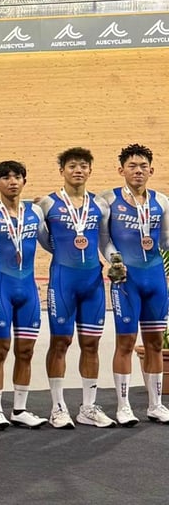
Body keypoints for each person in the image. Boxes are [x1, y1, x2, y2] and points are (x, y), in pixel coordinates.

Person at [36, 147, 116, 429]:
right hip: (62, 280)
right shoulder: (46, 204)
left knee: (91, 343)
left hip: (93, 280)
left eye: (83, 165)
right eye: (72, 166)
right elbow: (44, 239)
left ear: (90, 171)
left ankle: (88, 407)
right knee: (61, 342)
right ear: (62, 171)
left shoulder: (101, 205)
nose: (78, 170)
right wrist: (62, 253)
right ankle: (58, 407)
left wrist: (114, 258)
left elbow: (104, 241)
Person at [0, 161, 49, 430]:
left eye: (17, 177)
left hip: (28, 289)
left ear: (24, 181)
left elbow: (50, 243)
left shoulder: (36, 212)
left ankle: (20, 409)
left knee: (26, 350)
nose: (12, 181)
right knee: (0, 350)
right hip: (0, 289)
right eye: (5, 178)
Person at [100, 144, 169, 425]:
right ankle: (124, 405)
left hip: (155, 280)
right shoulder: (108, 200)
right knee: (125, 343)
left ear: (151, 170)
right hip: (126, 280)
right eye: (132, 166)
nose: (138, 171)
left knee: (154, 343)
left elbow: (165, 241)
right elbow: (103, 240)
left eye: (143, 166)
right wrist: (114, 261)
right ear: (121, 170)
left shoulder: (162, 201)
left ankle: (155, 404)